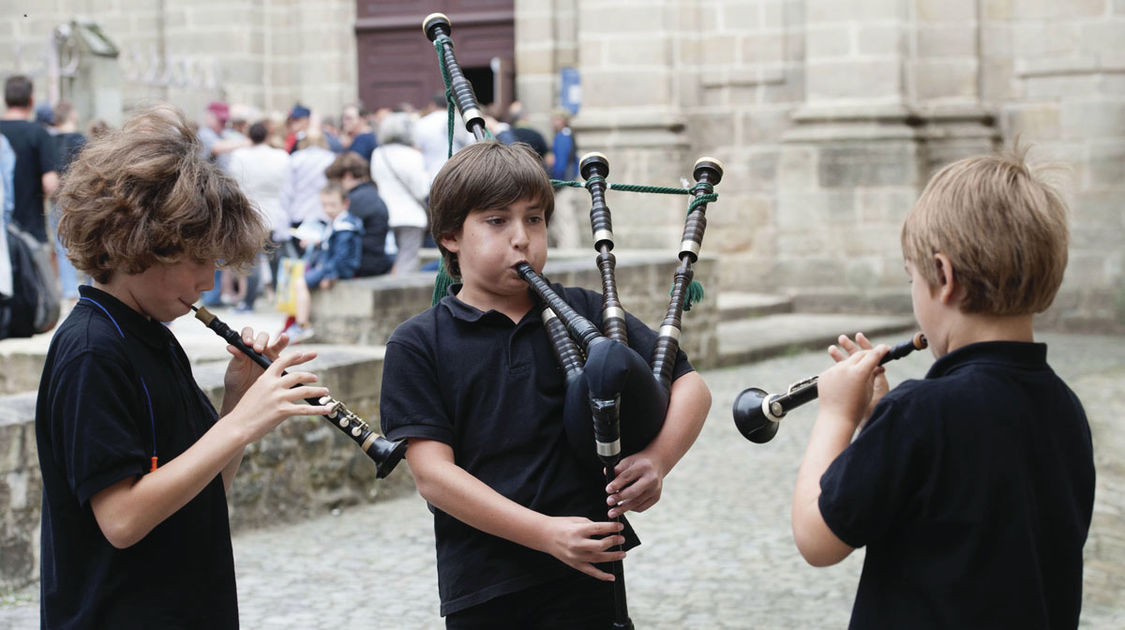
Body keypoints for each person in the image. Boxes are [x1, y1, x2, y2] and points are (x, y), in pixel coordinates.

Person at [379, 141, 711, 627]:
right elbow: (434, 476)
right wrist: (545, 534)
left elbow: (690, 386)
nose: (522, 238)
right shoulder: (418, 342)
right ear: (450, 236)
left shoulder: (586, 310)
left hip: (591, 575)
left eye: (534, 220)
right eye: (497, 221)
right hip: (485, 585)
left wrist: (658, 459)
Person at [37, 103, 332, 629]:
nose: (209, 283)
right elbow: (123, 520)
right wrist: (241, 424)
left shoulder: (153, 335)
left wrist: (236, 402)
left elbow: (203, 492)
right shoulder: (92, 351)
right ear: (142, 245)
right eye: (199, 260)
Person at [791, 147, 1096, 629]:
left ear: (944, 277)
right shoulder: (1065, 407)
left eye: (913, 278)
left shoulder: (920, 413)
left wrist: (837, 415)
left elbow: (816, 538)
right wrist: (879, 418)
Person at [284, 183, 362, 342]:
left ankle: (302, 325)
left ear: (345, 203)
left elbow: (342, 256)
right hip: (330, 266)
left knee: (300, 283)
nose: (328, 209)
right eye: (325, 205)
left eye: (333, 205)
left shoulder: (345, 225)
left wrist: (330, 275)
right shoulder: (336, 222)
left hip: (338, 269)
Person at [229, 121, 291, 311]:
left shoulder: (239, 156)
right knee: (276, 260)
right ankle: (281, 298)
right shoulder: (280, 156)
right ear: (267, 135)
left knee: (253, 261)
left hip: (250, 212)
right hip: (274, 212)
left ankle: (248, 302)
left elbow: (234, 183)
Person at [0, 75, 59, 244]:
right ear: (31, 100)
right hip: (30, 230)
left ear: (5, 99)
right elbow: (51, 183)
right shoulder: (38, 133)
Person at [369, 112, 429, 274]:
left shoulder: (377, 154)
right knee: (407, 261)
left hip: (386, 213)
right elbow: (422, 190)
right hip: (411, 216)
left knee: (391, 258)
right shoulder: (414, 155)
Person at [324, 152, 393, 277]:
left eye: (336, 183)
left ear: (347, 176)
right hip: (376, 263)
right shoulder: (372, 194)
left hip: (362, 267)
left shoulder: (353, 200)